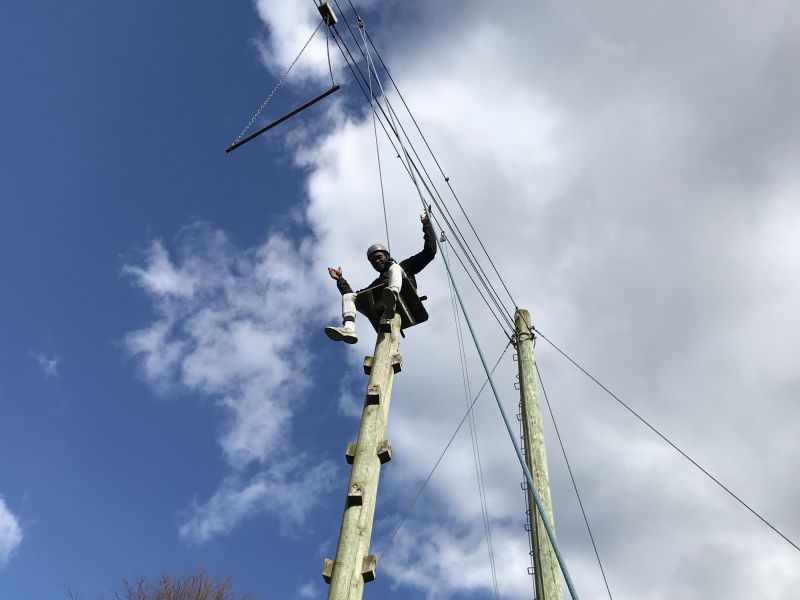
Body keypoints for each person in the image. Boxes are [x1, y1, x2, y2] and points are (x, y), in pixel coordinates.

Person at [325, 210, 437, 343]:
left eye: (379, 257)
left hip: (404, 298)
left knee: (395, 268)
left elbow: (430, 252)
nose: (376, 261)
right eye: (373, 261)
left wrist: (426, 225)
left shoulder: (406, 266)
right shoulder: (377, 284)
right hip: (382, 307)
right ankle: (349, 328)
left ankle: (393, 296)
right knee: (348, 296)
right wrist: (340, 280)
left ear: (387, 256)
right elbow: (355, 297)